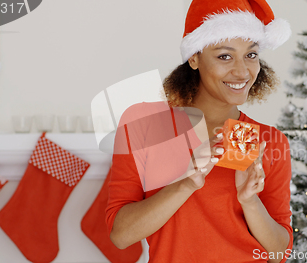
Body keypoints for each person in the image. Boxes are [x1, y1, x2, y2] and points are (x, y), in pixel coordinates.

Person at [105, 0, 293, 262]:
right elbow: (121, 235)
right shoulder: (144, 125)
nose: (242, 71)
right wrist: (185, 185)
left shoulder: (267, 140)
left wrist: (250, 201)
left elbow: (279, 252)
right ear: (194, 58)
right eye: (224, 56)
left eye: (251, 54)